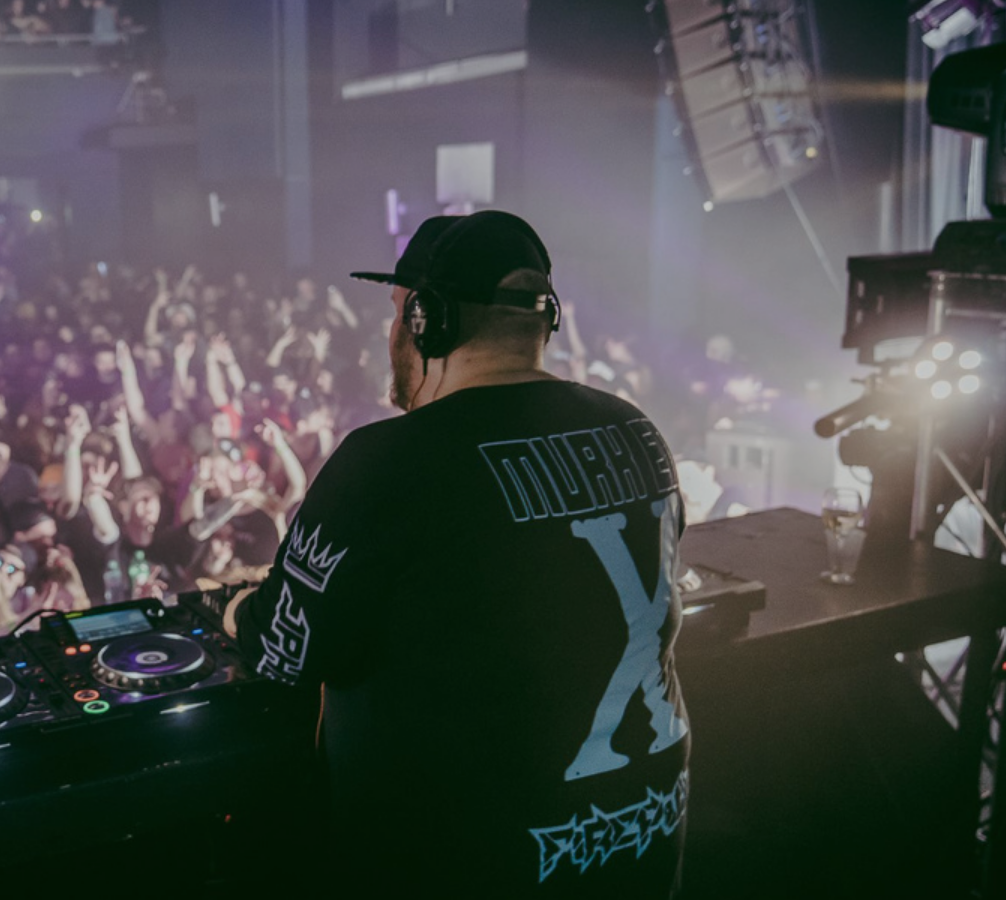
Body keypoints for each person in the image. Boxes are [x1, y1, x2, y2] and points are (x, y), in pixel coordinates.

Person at [225, 211, 689, 895]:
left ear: (427, 320)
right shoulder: (636, 430)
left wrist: (236, 605)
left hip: (467, 865)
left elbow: (283, 648)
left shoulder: (387, 460)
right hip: (638, 843)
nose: (390, 333)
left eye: (397, 311)